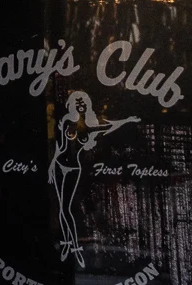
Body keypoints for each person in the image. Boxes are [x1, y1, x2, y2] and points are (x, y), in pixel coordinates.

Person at [47, 89, 139, 265]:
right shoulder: (66, 120)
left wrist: (127, 120)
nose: (79, 105)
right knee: (62, 208)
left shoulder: (88, 125)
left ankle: (73, 246)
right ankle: (67, 245)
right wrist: (51, 165)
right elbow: (59, 148)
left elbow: (108, 125)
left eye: (82, 102)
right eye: (76, 102)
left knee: (68, 208)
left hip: (74, 168)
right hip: (59, 165)